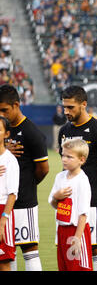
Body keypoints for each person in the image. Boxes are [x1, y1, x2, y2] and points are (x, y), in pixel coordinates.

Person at [59, 85, 97, 271]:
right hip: (68, 200)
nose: (66, 112)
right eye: (64, 107)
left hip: (92, 200)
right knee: (70, 245)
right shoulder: (64, 131)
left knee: (95, 245)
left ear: (83, 104)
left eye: (71, 107)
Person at [0, 85, 49, 271]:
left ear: (16, 105)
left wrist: (27, 185)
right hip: (2, 202)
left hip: (23, 202)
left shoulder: (31, 133)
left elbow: (43, 169)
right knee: (6, 250)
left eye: (5, 110)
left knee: (29, 248)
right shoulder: (2, 131)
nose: (1, 114)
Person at [48, 139, 92, 271]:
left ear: (81, 160)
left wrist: (77, 238)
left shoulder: (82, 181)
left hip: (76, 231)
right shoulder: (59, 177)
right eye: (63, 155)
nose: (64, 159)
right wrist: (56, 197)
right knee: (65, 267)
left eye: (69, 157)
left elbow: (83, 213)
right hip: (62, 230)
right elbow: (54, 204)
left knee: (78, 267)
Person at [0, 116, 20, 271]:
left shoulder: (9, 160)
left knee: (3, 261)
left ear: (6, 134)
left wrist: (3, 220)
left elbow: (12, 194)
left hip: (2, 210)